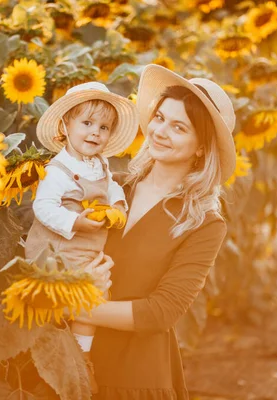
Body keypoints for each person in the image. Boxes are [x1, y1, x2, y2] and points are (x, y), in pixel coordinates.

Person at [76, 64, 237, 399]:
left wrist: (72, 307)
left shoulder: (203, 222)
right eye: (160, 117)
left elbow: (160, 313)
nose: (161, 131)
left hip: (134, 373)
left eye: (179, 127)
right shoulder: (110, 187)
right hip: (69, 358)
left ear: (201, 147)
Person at [25, 81, 139, 393]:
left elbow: (113, 188)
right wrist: (75, 222)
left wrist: (118, 205)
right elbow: (43, 207)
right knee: (57, 306)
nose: (95, 133)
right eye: (86, 123)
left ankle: (81, 356)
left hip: (89, 251)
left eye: (104, 127)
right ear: (65, 126)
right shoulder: (59, 170)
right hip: (59, 250)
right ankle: (52, 366)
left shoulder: (100, 165)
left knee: (91, 302)